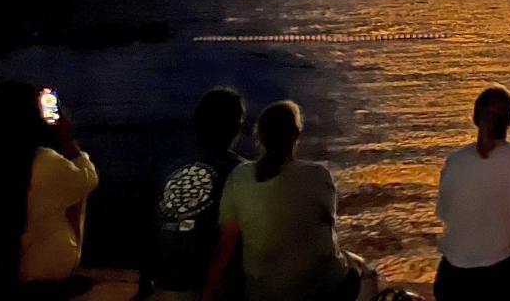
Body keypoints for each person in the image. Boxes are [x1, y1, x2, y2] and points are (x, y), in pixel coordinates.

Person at [203, 100, 370, 301]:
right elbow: (328, 225)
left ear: (259, 136)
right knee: (365, 272)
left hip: (261, 294)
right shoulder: (317, 174)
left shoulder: (238, 176)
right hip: (322, 290)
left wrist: (208, 293)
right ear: (296, 135)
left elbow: (226, 245)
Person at [0, 80, 99, 291]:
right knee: (75, 189)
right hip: (39, 271)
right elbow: (89, 179)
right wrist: (67, 141)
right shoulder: (44, 162)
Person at [434, 85, 510, 300]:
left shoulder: (455, 162)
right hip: (501, 279)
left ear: (475, 119)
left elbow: (445, 215)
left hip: (451, 279)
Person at [142, 88, 248, 300]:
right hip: (207, 288)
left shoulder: (171, 169)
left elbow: (150, 232)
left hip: (161, 283)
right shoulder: (242, 172)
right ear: (236, 127)